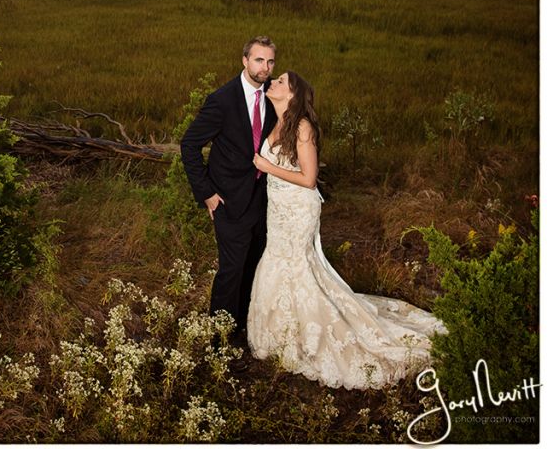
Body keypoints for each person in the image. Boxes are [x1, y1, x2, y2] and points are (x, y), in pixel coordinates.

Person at [247, 71, 446, 389]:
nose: (274, 82)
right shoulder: (277, 123)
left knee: (296, 264)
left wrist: (268, 166)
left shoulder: (302, 127)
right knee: (276, 259)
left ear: (293, 95)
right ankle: (280, 333)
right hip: (278, 209)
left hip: (299, 208)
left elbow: (309, 179)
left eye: (282, 81)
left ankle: (311, 335)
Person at [180, 36, 278, 360]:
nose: (265, 67)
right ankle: (218, 342)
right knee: (231, 271)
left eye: (270, 61)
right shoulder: (222, 100)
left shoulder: (273, 95)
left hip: (262, 199)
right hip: (228, 201)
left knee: (253, 266)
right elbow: (189, 145)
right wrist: (207, 193)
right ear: (245, 61)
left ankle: (243, 328)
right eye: (259, 60)